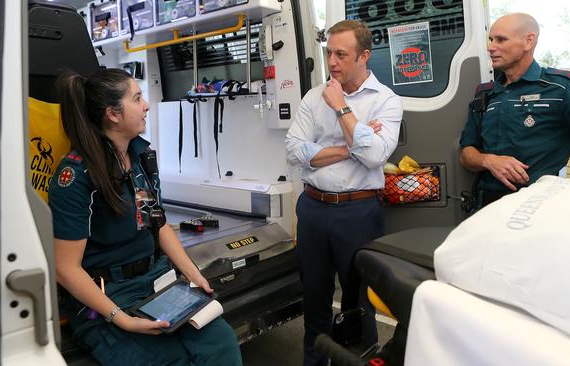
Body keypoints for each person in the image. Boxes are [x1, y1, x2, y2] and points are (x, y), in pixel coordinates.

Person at [48, 69, 242, 365]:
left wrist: (193, 274)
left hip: (157, 281)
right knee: (171, 359)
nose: (147, 105)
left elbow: (157, 222)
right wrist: (122, 320)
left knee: (222, 345)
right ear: (113, 114)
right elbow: (65, 268)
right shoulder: (76, 177)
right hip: (110, 296)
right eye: (137, 98)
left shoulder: (141, 157)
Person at [285, 20, 403, 366]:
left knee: (359, 304)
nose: (332, 62)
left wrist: (341, 108)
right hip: (312, 209)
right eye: (328, 53)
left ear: (364, 55)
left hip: (358, 213)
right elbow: (294, 151)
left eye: (341, 54)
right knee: (315, 300)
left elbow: (375, 156)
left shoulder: (386, 101)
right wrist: (350, 146)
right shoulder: (312, 97)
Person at [460, 13, 570, 207]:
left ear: (528, 41)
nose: (491, 47)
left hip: (535, 213)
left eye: (501, 39)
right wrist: (488, 160)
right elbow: (466, 154)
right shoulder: (485, 94)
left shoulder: (561, 88)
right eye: (490, 39)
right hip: (485, 210)